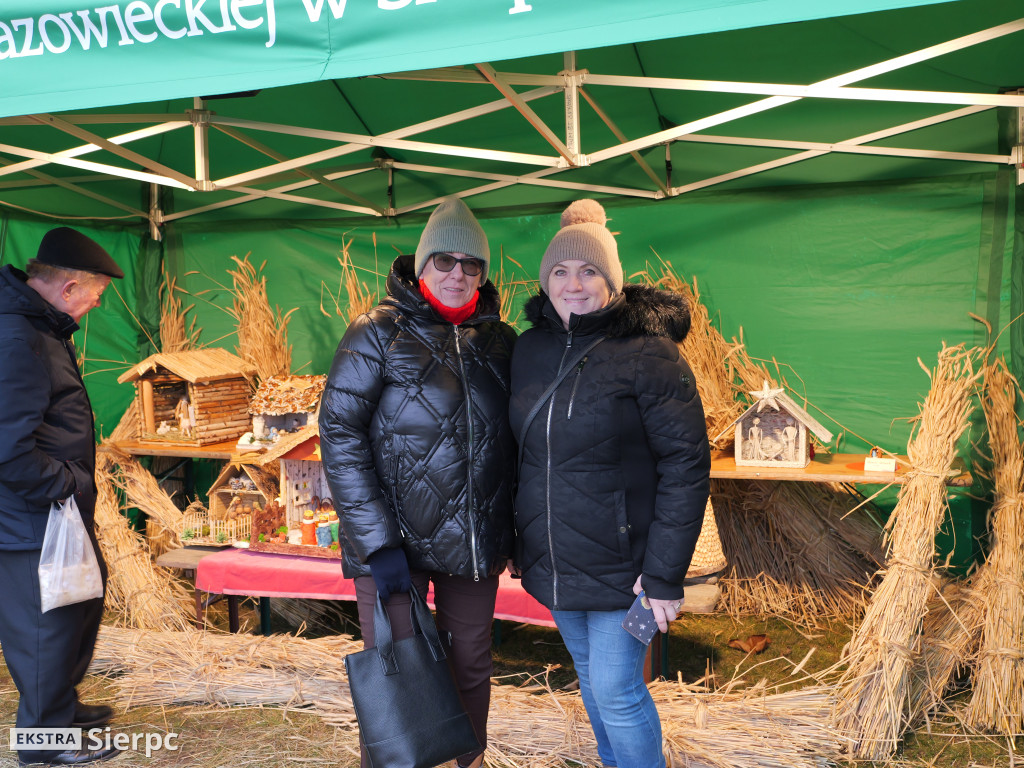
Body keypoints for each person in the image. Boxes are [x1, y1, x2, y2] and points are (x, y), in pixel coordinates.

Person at [509, 200, 711, 768]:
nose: (574, 284)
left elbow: (686, 467)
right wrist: (519, 542)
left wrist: (665, 576)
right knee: (592, 682)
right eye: (560, 272)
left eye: (589, 271)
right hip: (554, 555)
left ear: (612, 280)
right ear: (546, 280)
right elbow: (520, 455)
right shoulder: (529, 349)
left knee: (619, 690)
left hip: (628, 565)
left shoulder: (651, 354)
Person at [319, 196, 516, 768]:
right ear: (422, 264)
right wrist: (376, 541)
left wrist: (513, 535)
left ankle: (469, 761)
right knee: (398, 668)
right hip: (395, 544)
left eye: (471, 264)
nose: (458, 274)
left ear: (483, 273)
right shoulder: (375, 333)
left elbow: (518, 442)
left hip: (472, 540)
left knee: (473, 662)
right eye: (445, 261)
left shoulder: (501, 342)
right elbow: (339, 434)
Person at [0, 227, 125, 766]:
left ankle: (61, 707)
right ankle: (43, 742)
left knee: (80, 605)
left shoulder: (40, 328)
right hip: (31, 516)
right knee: (44, 625)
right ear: (69, 287)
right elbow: (8, 449)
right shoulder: (19, 338)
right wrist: (68, 485)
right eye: (95, 297)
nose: (94, 307)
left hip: (56, 511)